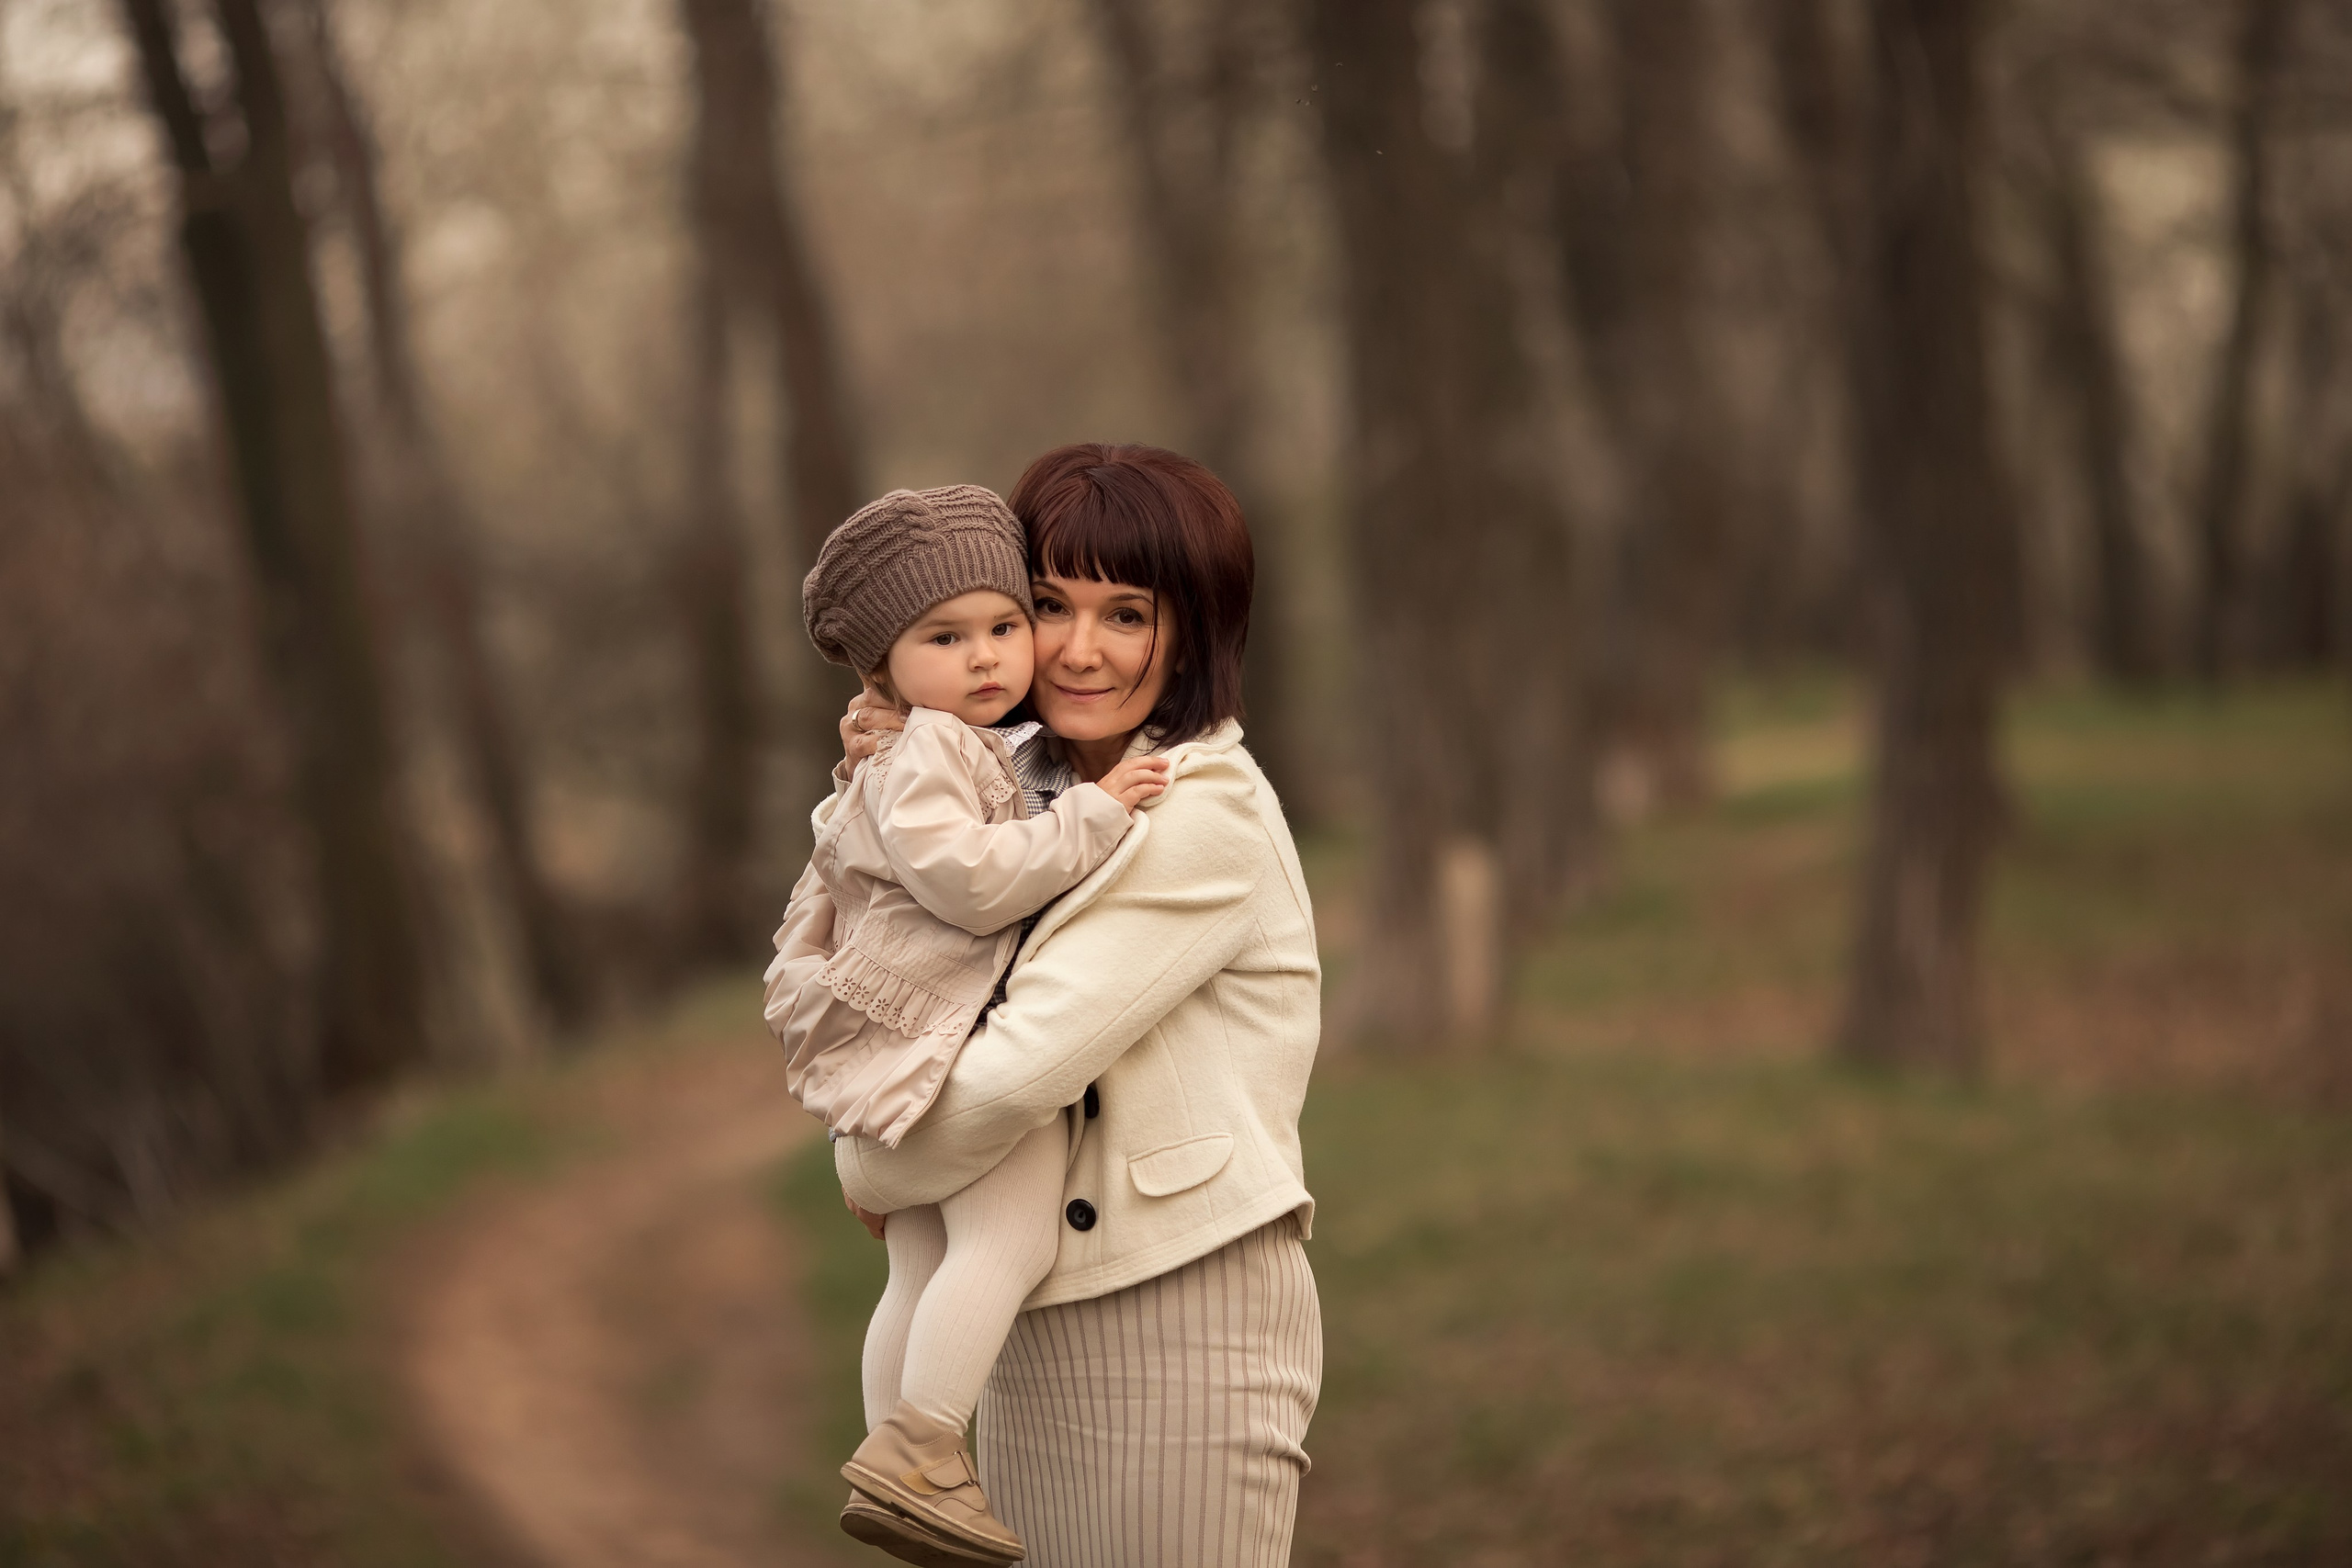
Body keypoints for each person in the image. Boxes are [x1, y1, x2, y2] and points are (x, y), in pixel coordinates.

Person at [766, 444, 1323, 1568]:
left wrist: (864, 1157)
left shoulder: (1194, 810)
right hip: (1033, 1320)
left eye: (1127, 613)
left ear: (1195, 630)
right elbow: (858, 937)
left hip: (1174, 1312)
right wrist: (889, 763)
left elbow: (1014, 1076)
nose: (1075, 650)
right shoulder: (1032, 787)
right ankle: (905, 1453)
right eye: (1045, 606)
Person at [776, 482, 1170, 1564]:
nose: (988, 656)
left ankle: (891, 1458)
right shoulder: (924, 756)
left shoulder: (942, 745)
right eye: (944, 638)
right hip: (946, 1044)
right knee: (1006, 1238)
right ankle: (926, 1448)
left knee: (919, 1265)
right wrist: (1096, 812)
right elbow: (973, 885)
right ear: (880, 668)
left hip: (910, 1040)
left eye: (1003, 625)